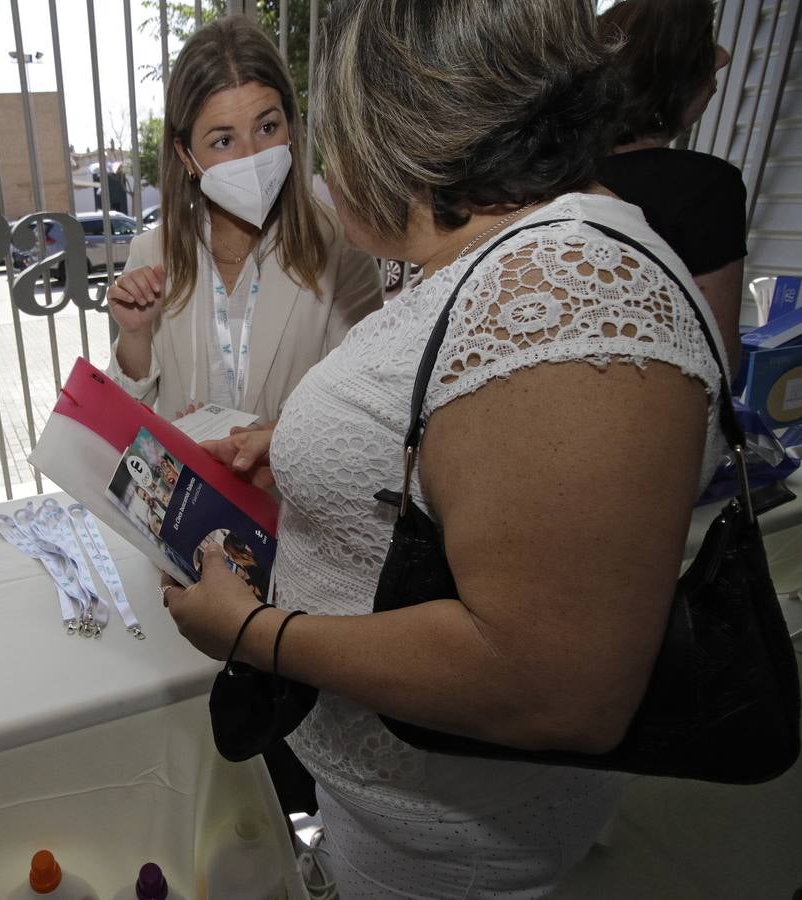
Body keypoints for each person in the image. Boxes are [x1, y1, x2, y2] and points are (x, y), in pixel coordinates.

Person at [165, 0, 732, 894]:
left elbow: (552, 686)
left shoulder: (568, 296)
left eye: (321, 127)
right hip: (390, 817)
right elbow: (462, 434)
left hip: (451, 852)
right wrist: (316, 448)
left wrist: (254, 633)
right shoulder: (493, 257)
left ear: (397, 128)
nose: (311, 164)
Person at [105, 16, 382, 425]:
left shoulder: (340, 248)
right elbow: (127, 415)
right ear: (186, 155)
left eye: (267, 127)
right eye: (223, 140)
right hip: (187, 488)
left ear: (290, 124)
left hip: (290, 488)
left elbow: (359, 408)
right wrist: (135, 334)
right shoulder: (150, 253)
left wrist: (269, 446)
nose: (252, 156)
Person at [598, 0, 745, 371]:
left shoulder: (544, 177)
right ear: (672, 75)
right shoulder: (705, 188)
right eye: (706, 45)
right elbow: (718, 359)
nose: (723, 57)